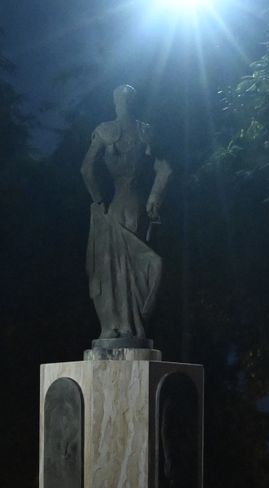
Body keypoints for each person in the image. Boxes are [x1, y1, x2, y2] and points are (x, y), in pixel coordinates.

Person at [81, 83, 172, 345]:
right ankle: (133, 327)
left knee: (112, 268)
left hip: (115, 205)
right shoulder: (146, 132)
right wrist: (155, 196)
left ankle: (114, 327)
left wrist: (98, 199)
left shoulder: (105, 131)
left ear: (116, 102)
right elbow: (165, 169)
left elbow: (86, 169)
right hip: (139, 206)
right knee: (134, 267)